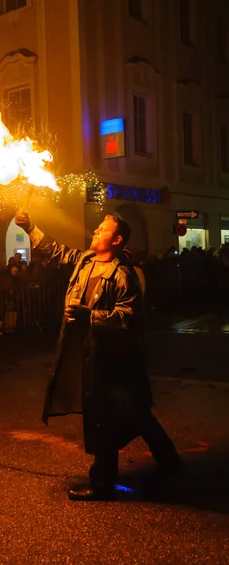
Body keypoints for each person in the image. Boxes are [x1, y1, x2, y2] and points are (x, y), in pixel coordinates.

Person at [15, 210, 182, 501]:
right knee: (135, 415)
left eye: (103, 229)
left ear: (116, 240)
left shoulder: (122, 275)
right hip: (90, 353)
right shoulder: (85, 261)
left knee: (105, 415)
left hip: (115, 359)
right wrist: (30, 227)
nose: (95, 231)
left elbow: (129, 318)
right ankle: (170, 463)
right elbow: (56, 251)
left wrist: (90, 317)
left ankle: (103, 481)